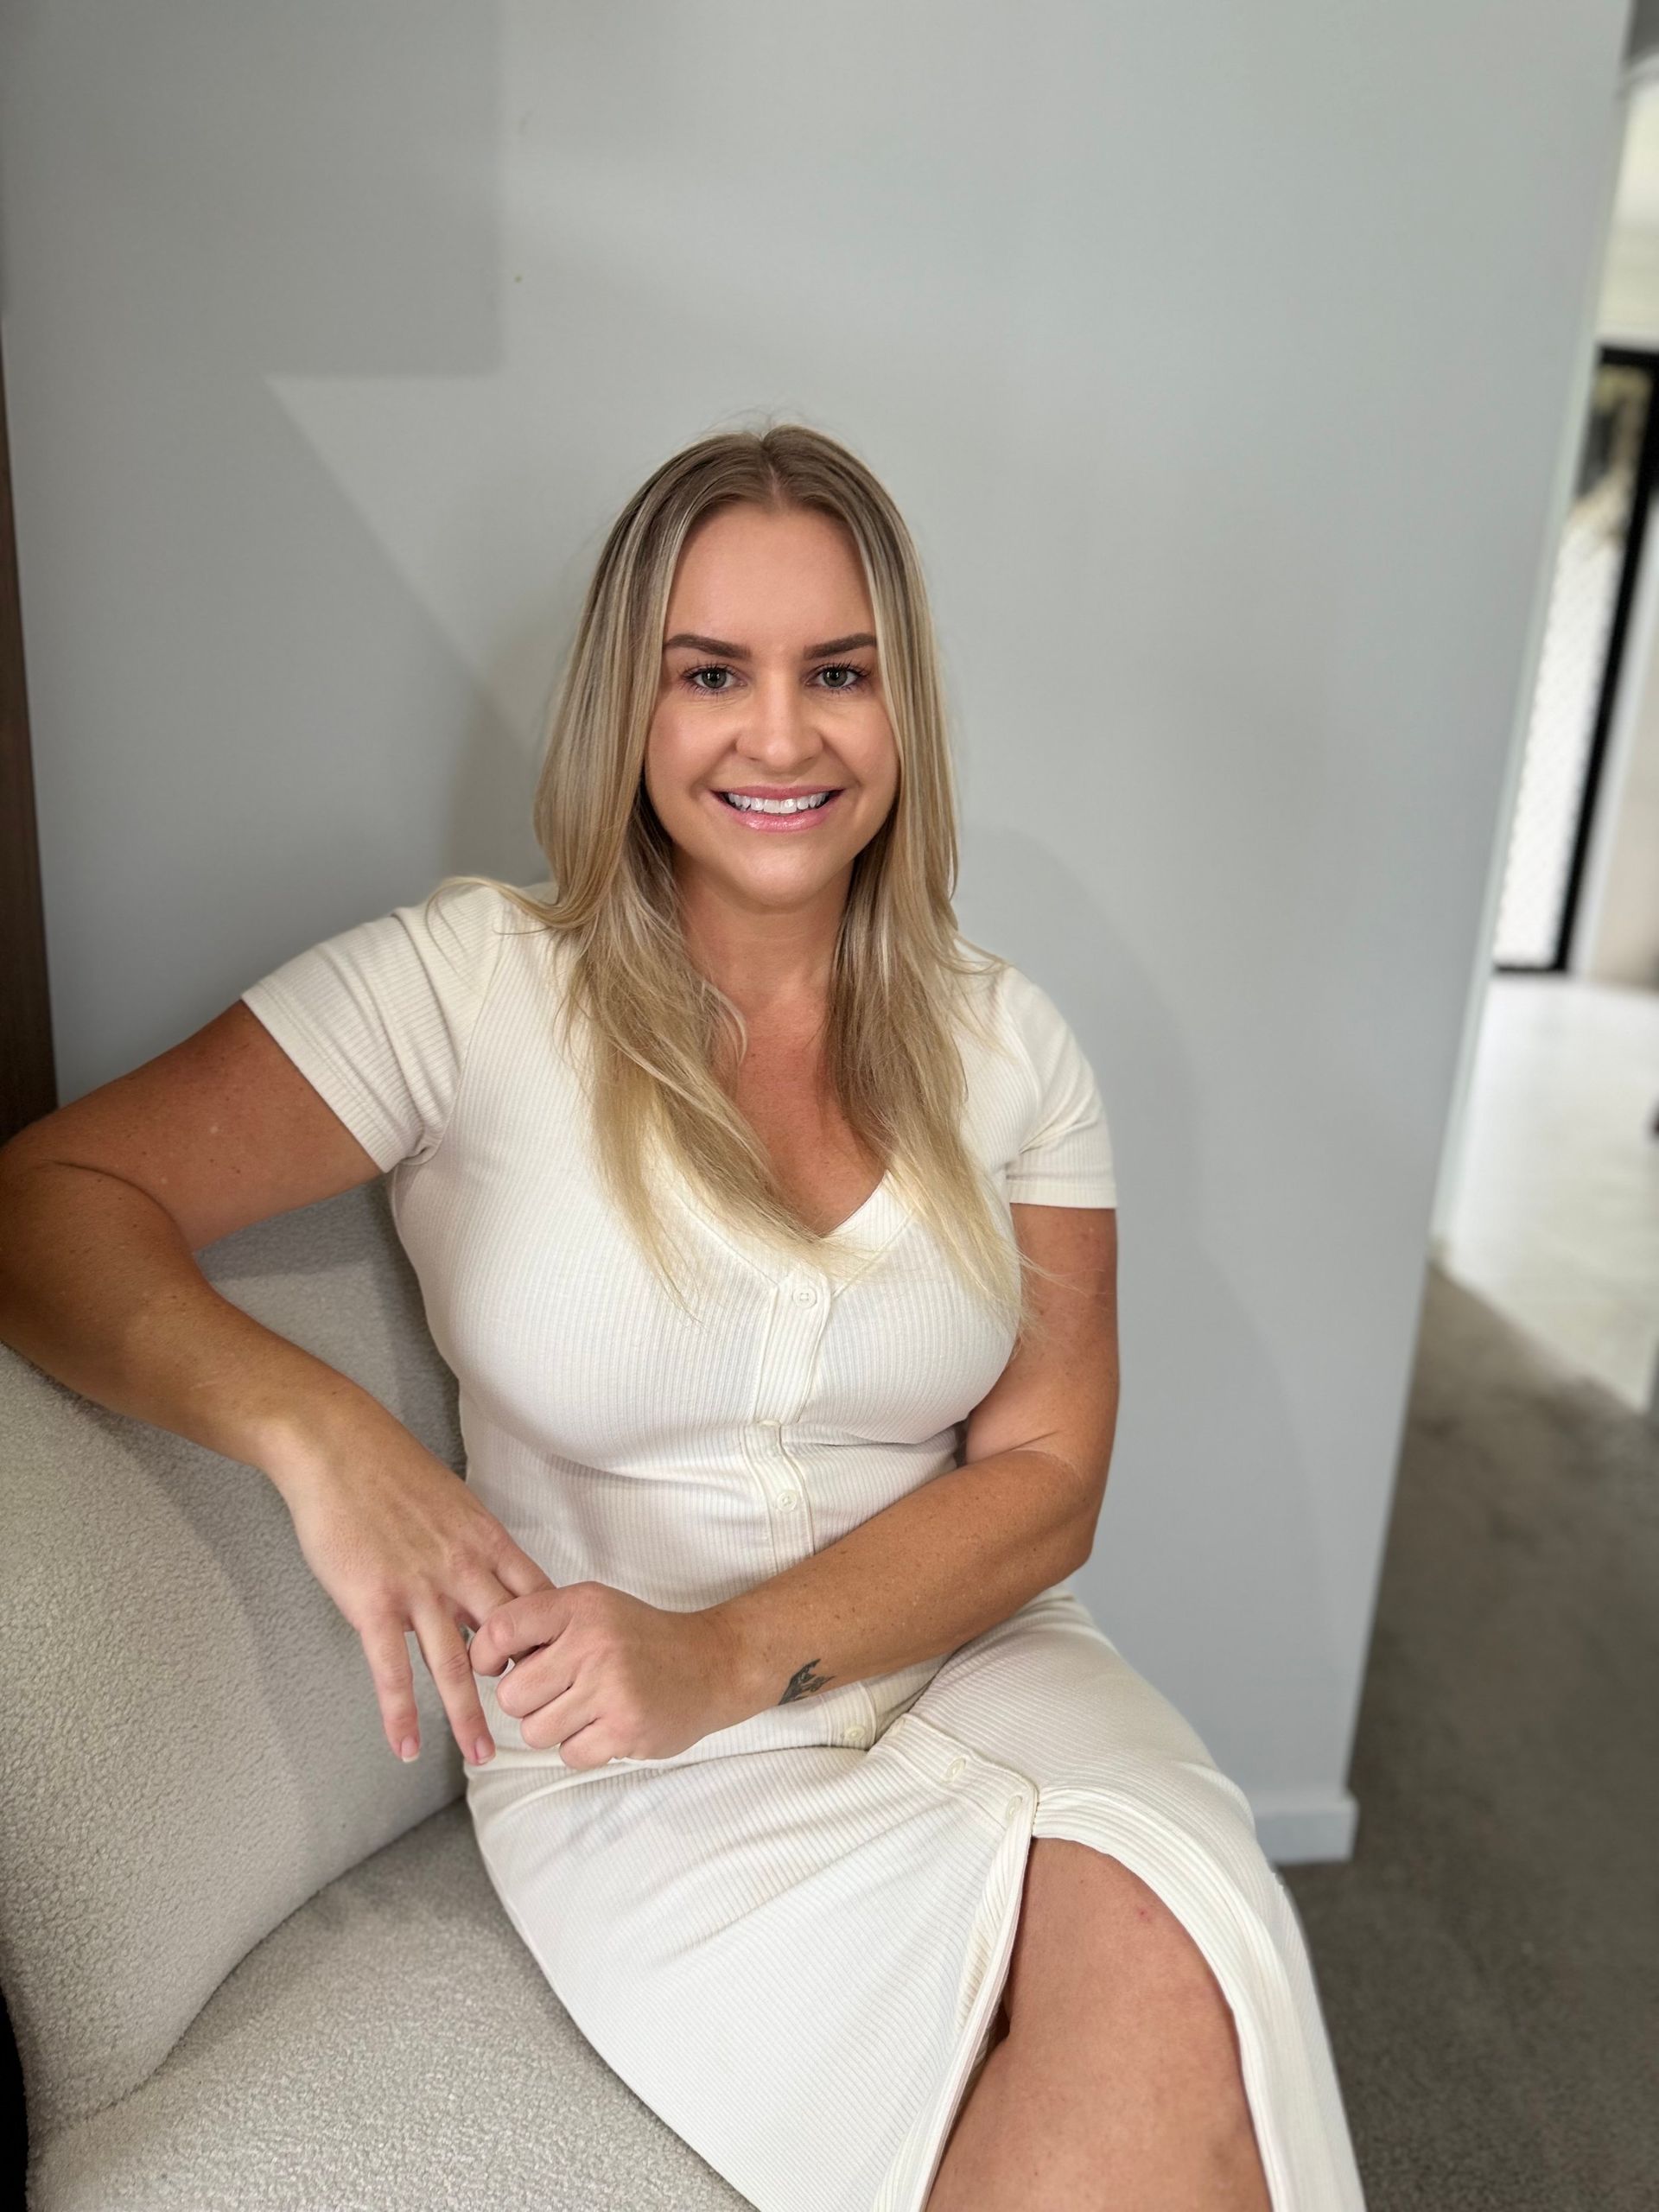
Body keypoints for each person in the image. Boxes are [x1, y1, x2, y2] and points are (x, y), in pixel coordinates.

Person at [0, 423, 1365, 2212]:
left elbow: (1043, 1474)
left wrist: (726, 1646)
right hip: (635, 1763)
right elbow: (49, 1200)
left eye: (839, 673)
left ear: (903, 711)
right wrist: (314, 1426)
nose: (782, 734)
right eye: (711, 671)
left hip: (985, 1656)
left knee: (1190, 1959)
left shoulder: (1011, 1042)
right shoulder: (467, 984)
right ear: (626, 706)